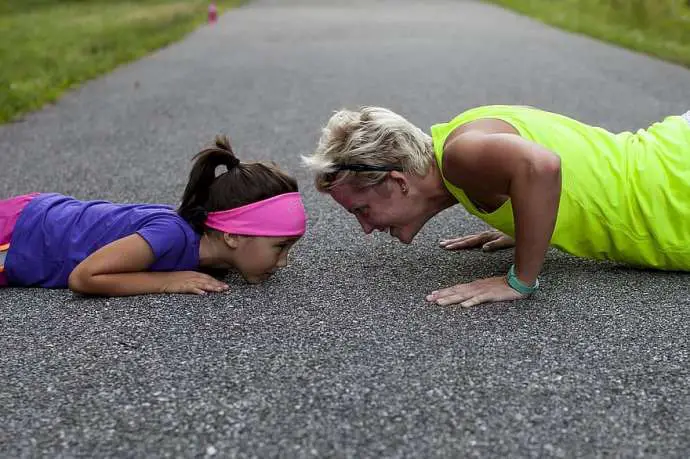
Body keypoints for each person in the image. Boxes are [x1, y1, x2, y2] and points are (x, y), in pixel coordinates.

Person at [302, 104, 690, 307]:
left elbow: (542, 166)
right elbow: (557, 165)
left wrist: (518, 280)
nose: (366, 228)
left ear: (398, 182)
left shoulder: (460, 155)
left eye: (361, 210)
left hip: (676, 187)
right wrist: (528, 220)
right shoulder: (460, 144)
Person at [0, 136, 306, 296]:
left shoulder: (206, 255)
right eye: (279, 247)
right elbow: (84, 277)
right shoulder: (171, 235)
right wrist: (165, 282)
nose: (283, 262)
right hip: (19, 235)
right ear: (233, 235)